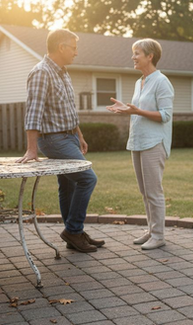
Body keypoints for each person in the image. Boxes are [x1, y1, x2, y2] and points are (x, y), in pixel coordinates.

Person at [16, 29, 103, 253]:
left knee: (69, 185)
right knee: (87, 179)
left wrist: (80, 136)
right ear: (61, 47)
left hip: (69, 136)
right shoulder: (41, 72)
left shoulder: (63, 72)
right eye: (73, 48)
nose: (76, 52)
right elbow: (34, 112)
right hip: (54, 139)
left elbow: (69, 110)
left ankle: (73, 233)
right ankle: (73, 230)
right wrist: (32, 149)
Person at [107, 38, 174, 250]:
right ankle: (152, 230)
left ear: (150, 56)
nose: (133, 57)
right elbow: (138, 110)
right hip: (138, 141)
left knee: (154, 191)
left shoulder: (161, 81)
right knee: (145, 191)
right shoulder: (140, 82)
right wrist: (126, 108)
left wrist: (135, 110)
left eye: (137, 53)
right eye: (133, 53)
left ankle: (159, 235)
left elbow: (165, 115)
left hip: (154, 143)